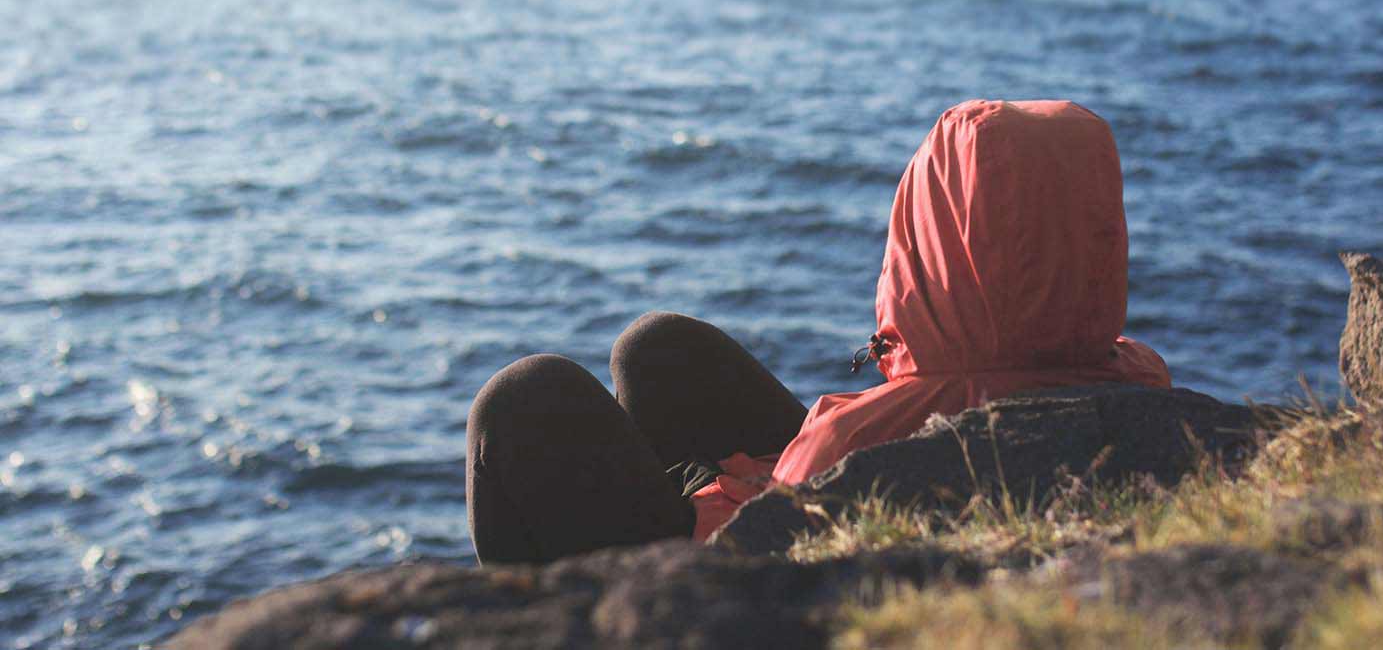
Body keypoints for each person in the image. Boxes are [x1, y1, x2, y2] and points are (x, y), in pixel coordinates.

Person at [465, 99, 1171, 564]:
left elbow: (765, 551)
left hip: (732, 582)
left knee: (524, 401)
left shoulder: (851, 445)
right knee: (657, 350)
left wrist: (721, 495)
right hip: (893, 489)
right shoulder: (1141, 382)